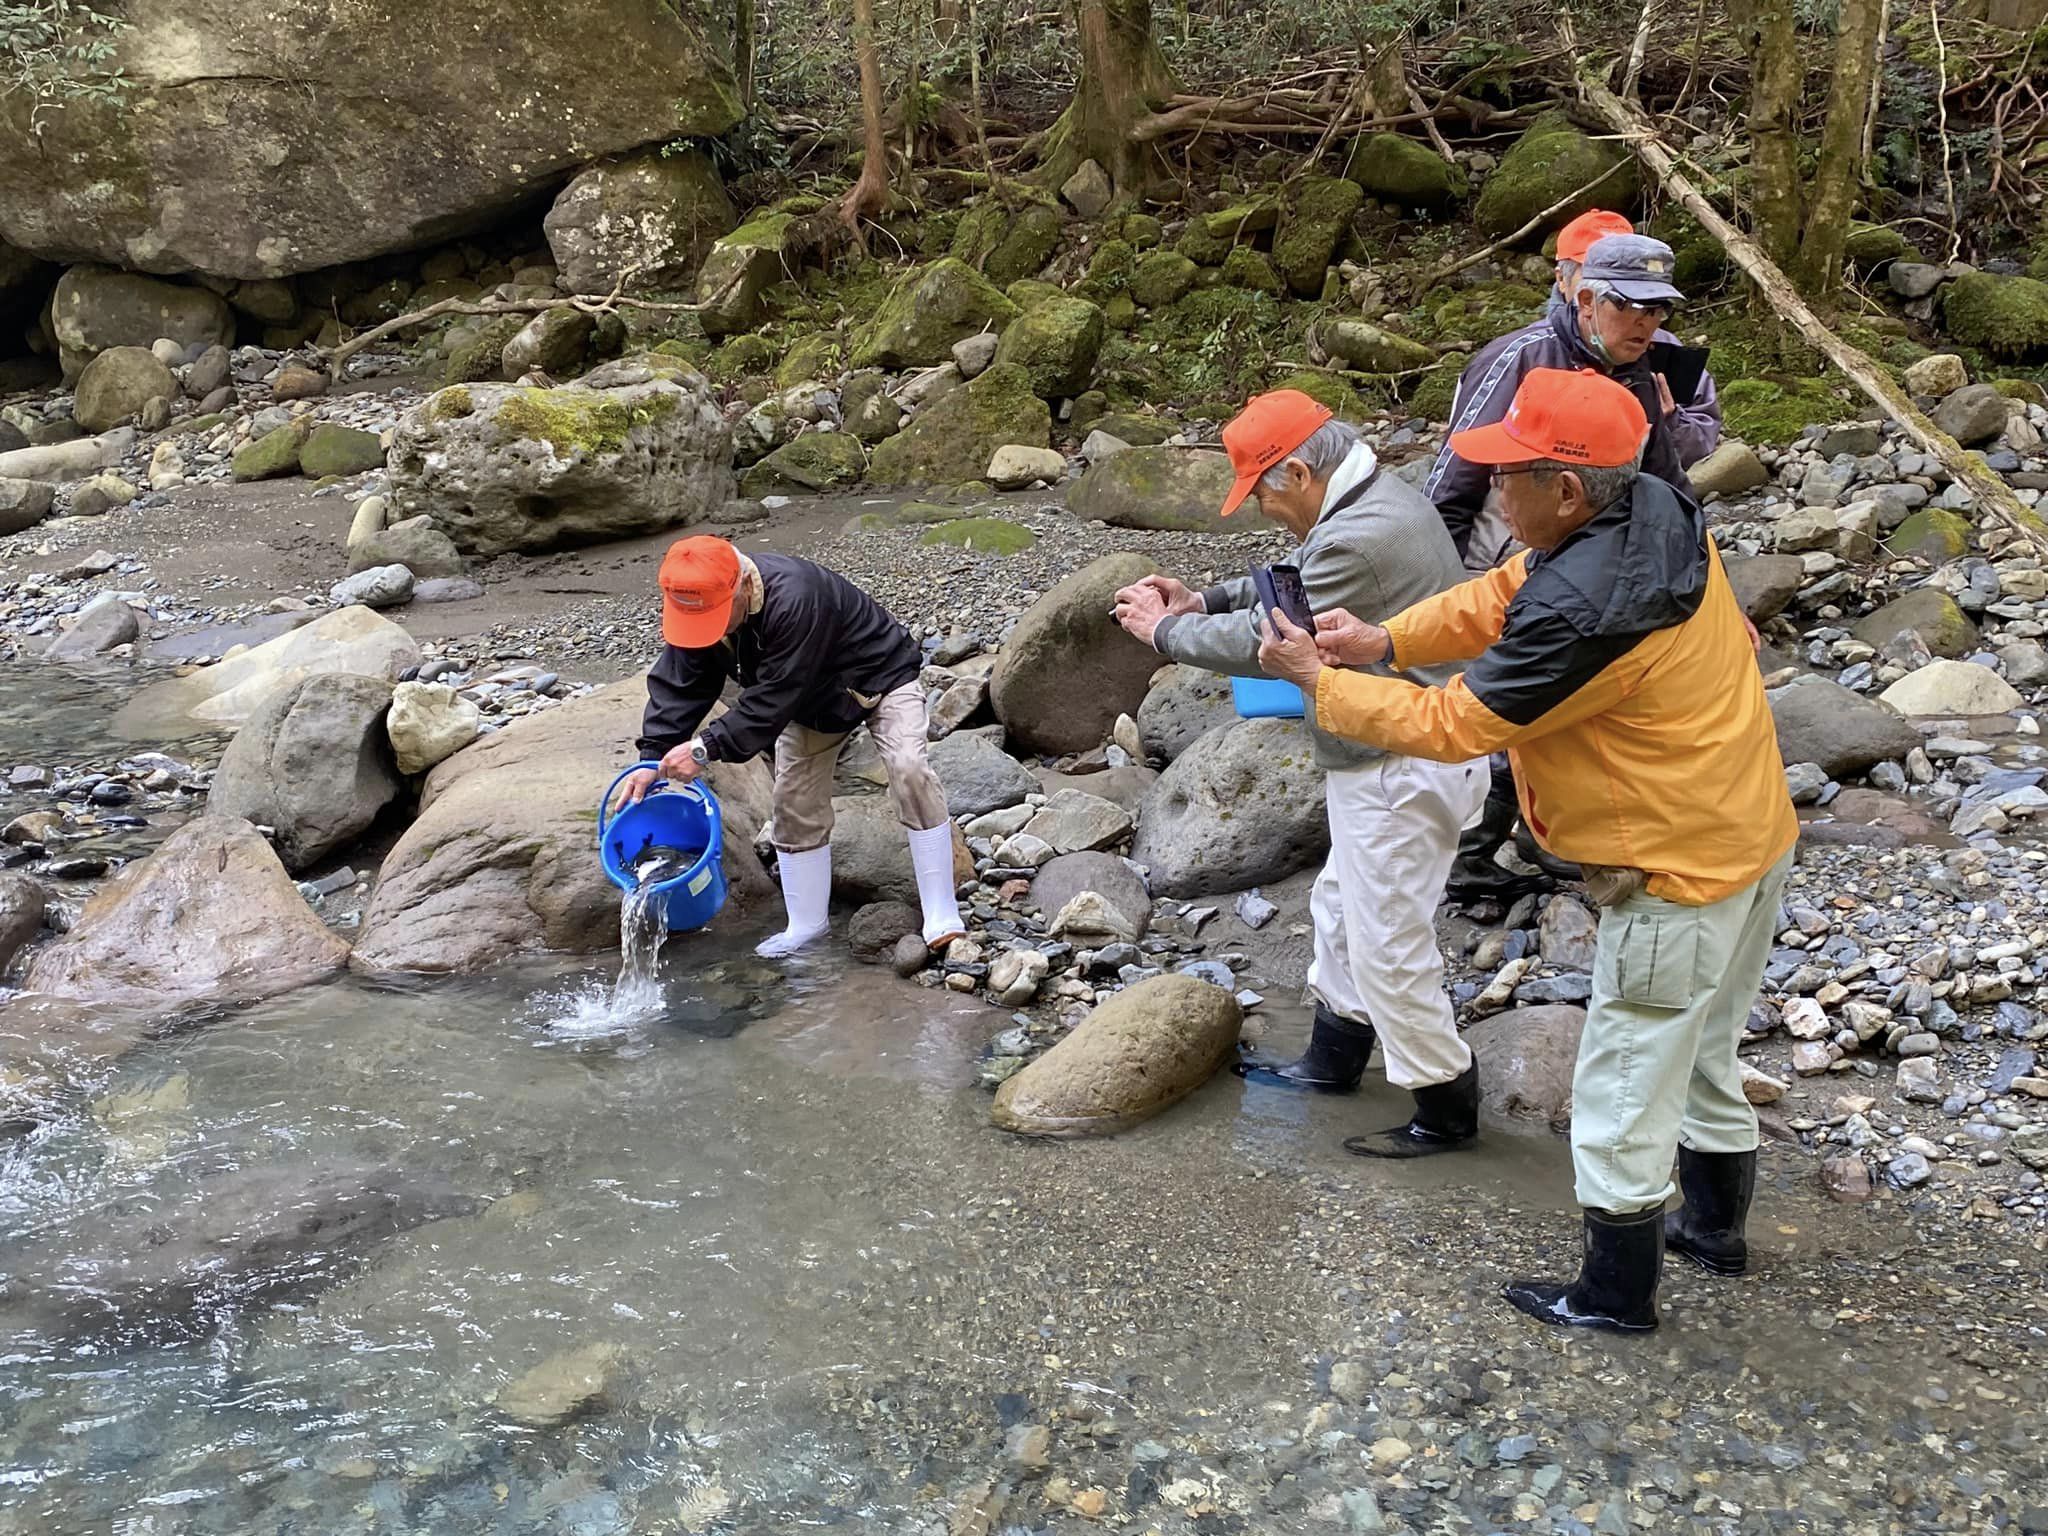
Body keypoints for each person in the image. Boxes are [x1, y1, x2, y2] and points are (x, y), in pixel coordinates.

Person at [1256, 368, 1797, 1332]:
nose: (1492, 490)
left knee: (1625, 1082)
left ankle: (1614, 1297)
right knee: (1706, 1053)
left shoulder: (1590, 610)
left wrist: (1315, 680)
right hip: (1751, 835)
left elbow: (1458, 723)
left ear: (1566, 489)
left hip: (1676, 870)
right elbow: (1500, 592)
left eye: (1510, 476)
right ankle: (1715, 1234)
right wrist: (1379, 641)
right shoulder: (1654, 510)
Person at [1109, 390, 1489, 1157]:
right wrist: (1202, 596)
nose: (1263, 511)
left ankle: (1446, 1106)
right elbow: (1290, 580)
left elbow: (1273, 629)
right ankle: (1332, 1060)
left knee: (1388, 941)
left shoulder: (1359, 536)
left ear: (1295, 474)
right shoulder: (1368, 502)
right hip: (1391, 756)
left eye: (1262, 494)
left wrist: (1165, 631)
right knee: (1343, 906)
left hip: (1401, 760)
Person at [1430, 230, 1727, 898]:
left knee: (1573, 702)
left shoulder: (1648, 365)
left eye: (1658, 310)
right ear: (1584, 297)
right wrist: (1438, 590)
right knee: (1501, 706)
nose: (1646, 324)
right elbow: (1449, 484)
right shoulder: (1520, 356)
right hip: (1496, 557)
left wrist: (1718, 596)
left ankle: (1548, 839)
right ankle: (1469, 859)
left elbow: (1668, 488)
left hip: (1590, 566)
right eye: (1630, 308)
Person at [618, 536, 965, 959]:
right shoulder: (701, 603)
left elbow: (772, 699)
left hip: (880, 678)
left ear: (744, 584)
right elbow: (680, 683)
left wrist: (705, 748)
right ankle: (806, 925)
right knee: (793, 801)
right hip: (810, 703)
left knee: (909, 767)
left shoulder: (797, 597)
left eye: (715, 617)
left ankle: (941, 911)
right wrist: (652, 756)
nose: (709, 629)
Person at [1548, 208, 1634, 312]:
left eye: (1623, 271)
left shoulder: (1649, 326)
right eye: (1596, 273)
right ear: (1562, 279)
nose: (1611, 285)